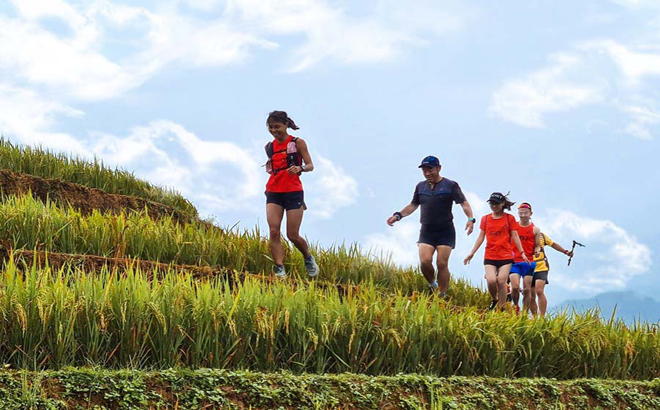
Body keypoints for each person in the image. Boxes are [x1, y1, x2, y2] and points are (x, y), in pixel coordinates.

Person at [387, 156, 475, 297]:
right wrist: (398, 216)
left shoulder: (450, 185)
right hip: (427, 230)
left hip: (445, 230)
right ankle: (433, 285)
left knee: (441, 263)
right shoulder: (420, 187)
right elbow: (413, 205)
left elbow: (464, 203)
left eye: (430, 169)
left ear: (439, 168)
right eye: (424, 170)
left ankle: (442, 294)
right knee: (425, 262)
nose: (427, 173)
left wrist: (470, 219)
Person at [264, 110, 319, 278]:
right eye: (271, 127)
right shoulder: (269, 147)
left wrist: (299, 168)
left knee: (292, 235)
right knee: (274, 231)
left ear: (286, 125)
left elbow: (310, 165)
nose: (274, 130)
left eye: (277, 127)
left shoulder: (298, 142)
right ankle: (279, 268)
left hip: (293, 191)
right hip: (274, 191)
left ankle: (308, 258)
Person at [464, 192, 529, 310]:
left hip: (505, 256)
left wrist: (522, 252)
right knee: (491, 281)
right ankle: (495, 299)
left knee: (501, 281)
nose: (493, 206)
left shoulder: (510, 218)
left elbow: (515, 236)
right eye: (491, 203)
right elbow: (481, 237)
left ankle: (501, 307)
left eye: (496, 204)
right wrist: (471, 253)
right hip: (490, 255)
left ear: (503, 204)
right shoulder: (486, 219)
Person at [530, 233, 573, 316]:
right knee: (531, 295)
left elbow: (553, 244)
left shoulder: (541, 236)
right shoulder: (520, 236)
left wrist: (565, 252)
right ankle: (534, 318)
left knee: (539, 291)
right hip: (528, 267)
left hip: (542, 266)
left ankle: (542, 317)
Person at [509, 202, 540, 315]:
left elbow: (537, 245)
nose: (523, 215)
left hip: (529, 262)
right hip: (514, 262)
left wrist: (537, 251)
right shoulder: (513, 227)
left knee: (527, 290)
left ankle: (525, 313)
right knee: (515, 287)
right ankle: (516, 306)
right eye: (520, 213)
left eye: (525, 213)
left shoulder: (535, 229)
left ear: (530, 213)